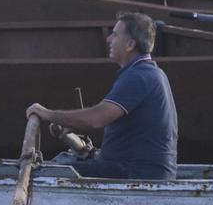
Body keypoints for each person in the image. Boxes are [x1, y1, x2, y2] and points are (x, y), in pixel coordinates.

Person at [26, 11, 178, 180]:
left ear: (130, 45)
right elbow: (113, 121)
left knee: (42, 175)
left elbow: (96, 119)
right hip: (138, 169)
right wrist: (70, 124)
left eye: (114, 35)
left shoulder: (139, 77)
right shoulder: (151, 72)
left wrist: (47, 114)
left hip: (136, 173)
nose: (108, 39)